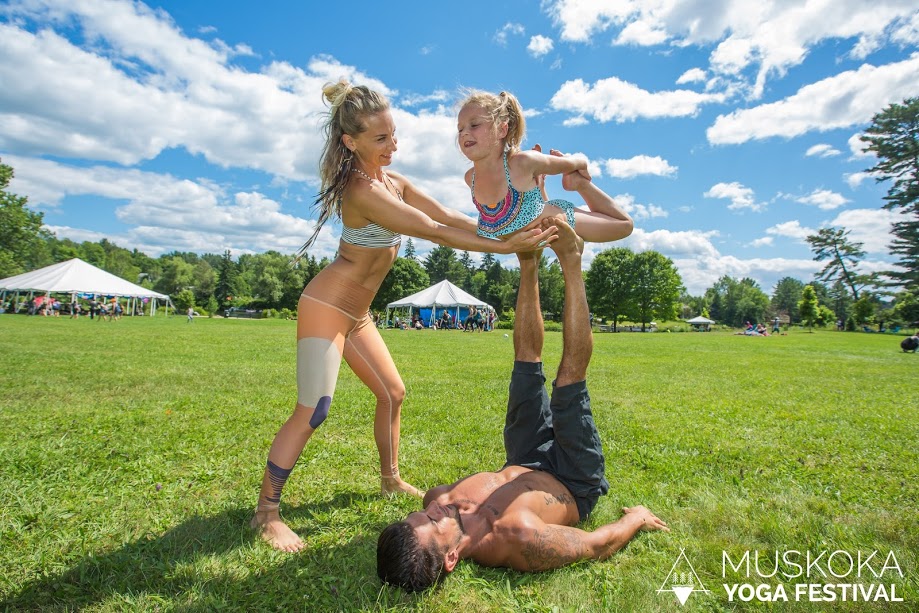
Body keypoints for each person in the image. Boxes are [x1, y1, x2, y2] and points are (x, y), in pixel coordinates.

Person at [251, 81, 557, 553]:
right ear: (350, 141)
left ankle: (390, 480)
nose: (392, 146)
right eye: (380, 139)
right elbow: (430, 230)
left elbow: (451, 217)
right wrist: (504, 248)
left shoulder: (393, 182)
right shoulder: (361, 190)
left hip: (357, 315)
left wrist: (510, 226)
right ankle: (266, 513)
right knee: (314, 409)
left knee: (393, 393)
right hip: (326, 306)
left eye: (394, 135)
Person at [377, 219, 668, 591]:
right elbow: (596, 545)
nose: (434, 508)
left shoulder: (439, 498)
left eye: (418, 515)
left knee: (525, 364)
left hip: (523, 453)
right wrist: (637, 519)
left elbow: (433, 506)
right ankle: (572, 262)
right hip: (573, 476)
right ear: (451, 558)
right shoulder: (519, 539)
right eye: (433, 523)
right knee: (569, 381)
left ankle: (527, 260)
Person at [456, 90, 633, 247]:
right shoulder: (470, 177)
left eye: (474, 125)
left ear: (502, 130)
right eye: (460, 128)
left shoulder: (522, 162)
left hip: (558, 218)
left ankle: (579, 184)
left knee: (624, 225)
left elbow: (573, 163)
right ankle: (540, 184)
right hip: (534, 233)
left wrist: (581, 164)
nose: (464, 132)